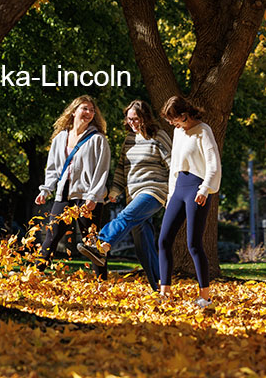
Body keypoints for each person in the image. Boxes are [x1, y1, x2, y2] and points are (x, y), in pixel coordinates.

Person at [76, 100, 171, 291]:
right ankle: (160, 288)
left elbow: (173, 165)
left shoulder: (158, 136)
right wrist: (114, 191)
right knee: (143, 245)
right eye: (129, 120)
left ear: (145, 118)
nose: (133, 123)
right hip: (133, 194)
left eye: (136, 119)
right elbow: (121, 167)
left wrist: (173, 195)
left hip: (155, 191)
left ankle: (101, 243)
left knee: (125, 217)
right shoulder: (129, 139)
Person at [34, 95, 111, 278]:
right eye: (85, 108)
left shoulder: (98, 139)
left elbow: (102, 170)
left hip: (87, 196)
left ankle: (102, 281)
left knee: (91, 241)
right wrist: (45, 190)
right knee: (51, 235)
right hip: (64, 195)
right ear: (74, 111)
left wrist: (93, 196)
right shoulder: (60, 138)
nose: (89, 113)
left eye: (92, 110)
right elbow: (53, 168)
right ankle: (35, 275)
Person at [157, 95, 221, 308]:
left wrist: (205, 190)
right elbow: (175, 165)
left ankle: (205, 296)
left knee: (194, 244)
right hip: (179, 188)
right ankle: (165, 293)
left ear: (184, 115)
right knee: (164, 240)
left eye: (173, 119)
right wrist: (170, 195)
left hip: (197, 189)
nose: (171, 123)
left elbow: (213, 166)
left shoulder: (203, 131)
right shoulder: (178, 132)